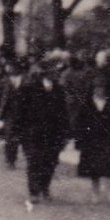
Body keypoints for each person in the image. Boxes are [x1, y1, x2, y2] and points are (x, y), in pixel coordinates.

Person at [11, 60, 70, 208]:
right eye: (53, 70)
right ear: (45, 72)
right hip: (33, 133)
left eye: (58, 71)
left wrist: (65, 134)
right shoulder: (29, 88)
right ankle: (34, 191)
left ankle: (45, 187)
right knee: (34, 162)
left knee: (50, 162)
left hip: (53, 134)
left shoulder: (59, 90)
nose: (57, 73)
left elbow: (64, 113)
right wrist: (17, 131)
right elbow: (19, 111)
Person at [72, 77, 110, 200]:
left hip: (108, 139)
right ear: (93, 89)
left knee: (109, 166)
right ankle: (95, 191)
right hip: (92, 139)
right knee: (93, 168)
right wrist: (79, 140)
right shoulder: (87, 104)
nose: (99, 91)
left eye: (102, 88)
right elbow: (80, 123)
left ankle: (109, 192)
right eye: (97, 88)